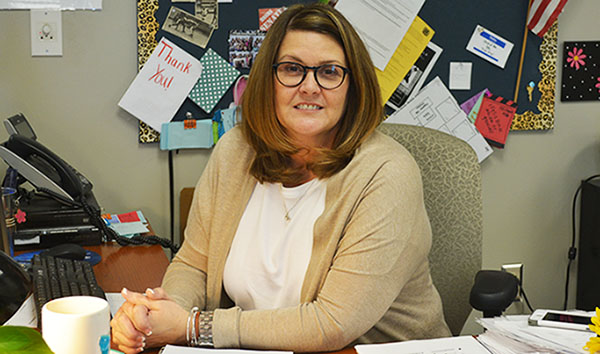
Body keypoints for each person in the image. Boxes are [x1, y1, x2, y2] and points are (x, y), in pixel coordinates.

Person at [110, 3, 451, 353]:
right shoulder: (235, 151)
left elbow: (332, 323)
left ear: (353, 85)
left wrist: (192, 327)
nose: (309, 87)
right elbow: (195, 262)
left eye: (330, 72)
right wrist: (162, 313)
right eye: (292, 69)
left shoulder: (387, 174)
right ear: (267, 79)